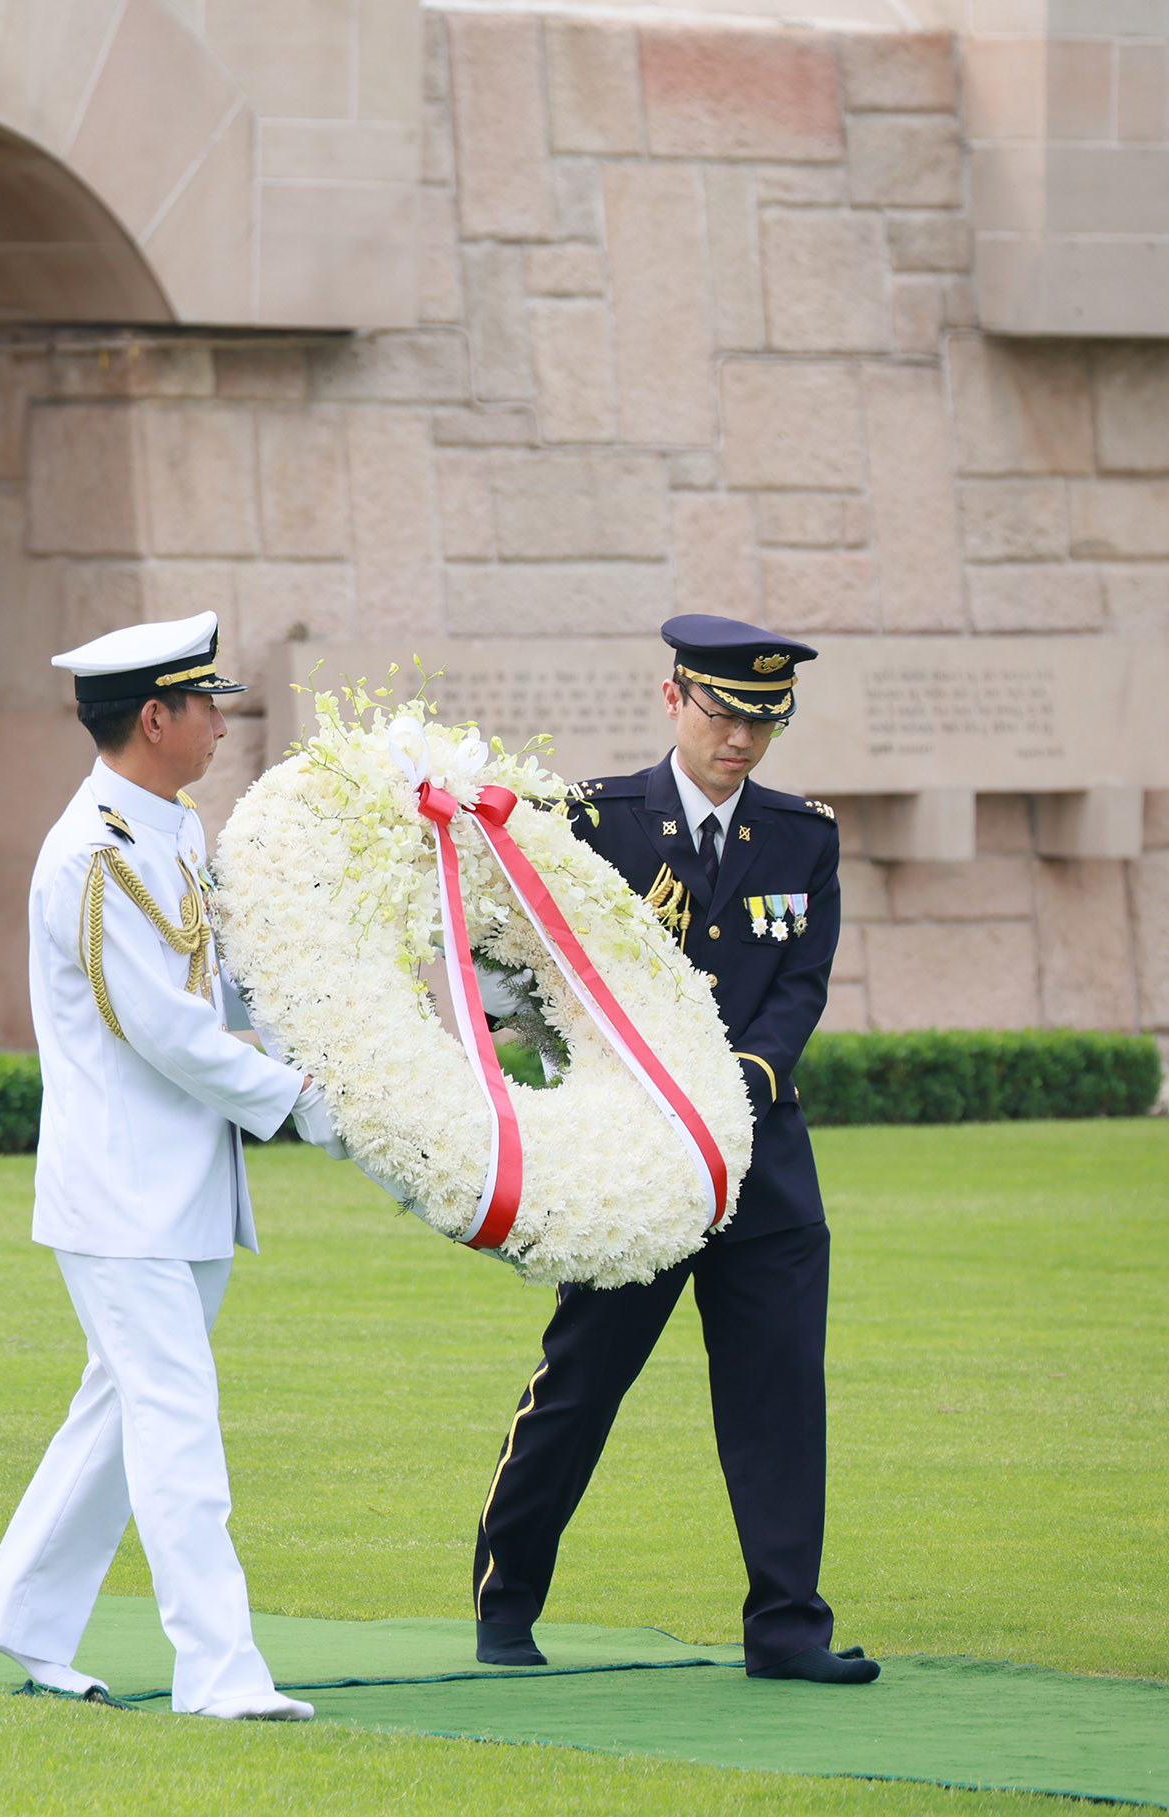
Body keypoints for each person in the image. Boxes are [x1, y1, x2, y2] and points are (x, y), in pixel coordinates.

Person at [468, 614, 875, 1685]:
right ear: (671, 699)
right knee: (580, 1378)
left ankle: (786, 1627)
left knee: (777, 1393)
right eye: (722, 711)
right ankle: (504, 1598)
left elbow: (796, 990)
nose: (740, 737)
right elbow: (513, 962)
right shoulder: (592, 821)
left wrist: (742, 1085)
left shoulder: (802, 836)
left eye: (763, 718)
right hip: (633, 1170)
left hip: (761, 1168)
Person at [0, 611, 323, 1721]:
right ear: (154, 717)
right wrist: (301, 1100)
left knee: (121, 1410)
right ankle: (217, 1670)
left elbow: (215, 989)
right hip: (120, 1191)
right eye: (205, 702)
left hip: (178, 1187)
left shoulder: (169, 827)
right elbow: (160, 1030)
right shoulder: (95, 850)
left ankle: (21, 1611)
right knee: (174, 1422)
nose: (222, 721)